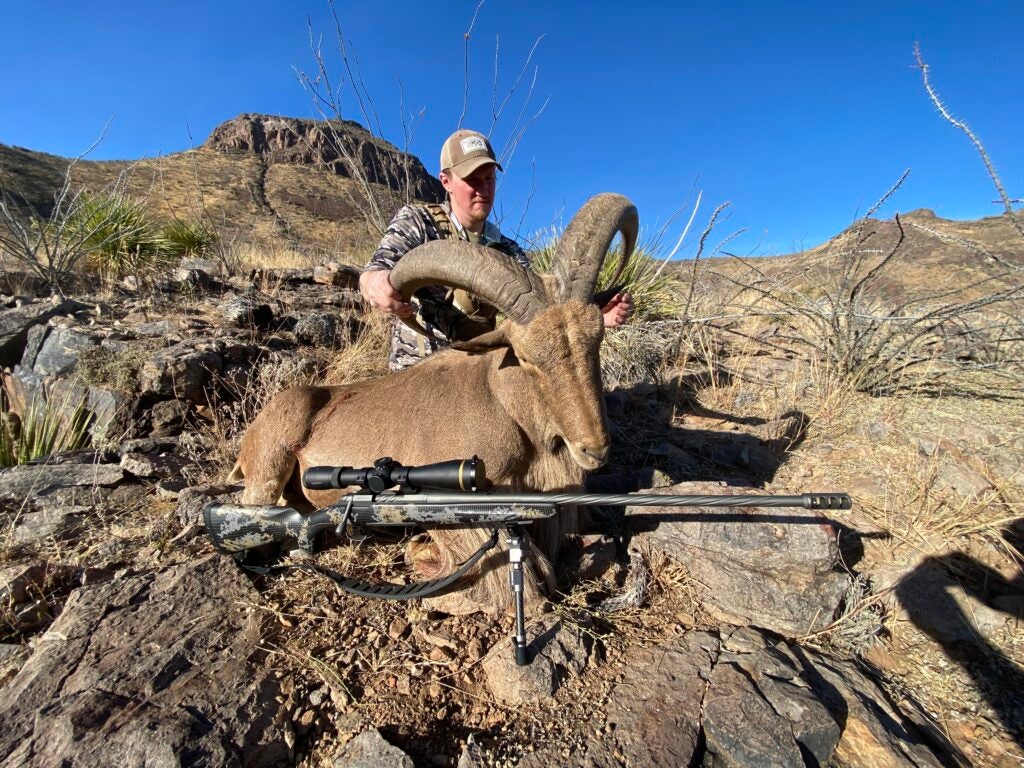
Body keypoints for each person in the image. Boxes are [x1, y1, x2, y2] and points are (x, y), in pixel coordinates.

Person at [359, 129, 632, 371]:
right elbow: (378, 267)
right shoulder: (418, 222)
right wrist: (374, 282)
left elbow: (542, 316)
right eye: (472, 179)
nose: (483, 189)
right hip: (419, 372)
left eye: (489, 178)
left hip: (478, 375)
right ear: (446, 181)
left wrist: (594, 315)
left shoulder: (508, 251)